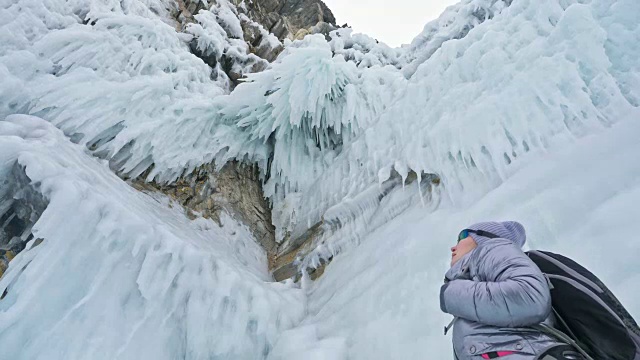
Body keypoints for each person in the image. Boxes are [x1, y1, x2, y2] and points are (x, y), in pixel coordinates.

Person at [440, 221, 584, 360]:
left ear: (484, 236)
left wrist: (452, 293)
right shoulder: (476, 278)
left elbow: (530, 296)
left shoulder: (492, 248)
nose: (453, 247)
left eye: (463, 236)